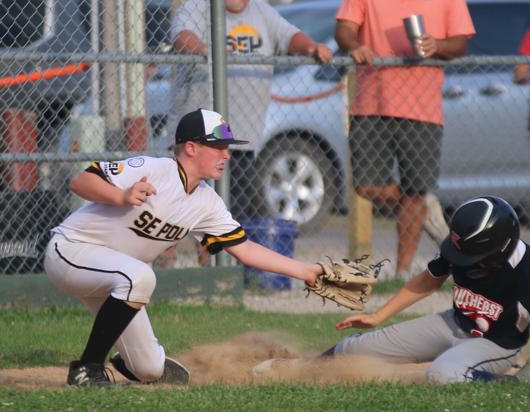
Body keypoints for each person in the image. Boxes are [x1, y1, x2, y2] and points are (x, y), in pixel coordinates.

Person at [43, 108, 324, 386]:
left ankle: (129, 361)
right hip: (72, 251)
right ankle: (87, 369)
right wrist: (122, 195)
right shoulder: (153, 170)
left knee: (150, 370)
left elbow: (245, 249)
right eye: (218, 147)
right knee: (140, 276)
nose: (226, 155)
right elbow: (80, 181)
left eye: (227, 148)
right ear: (191, 147)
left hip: (117, 278)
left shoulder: (207, 202)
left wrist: (307, 271)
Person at [324, 196, 530, 384]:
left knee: (442, 375)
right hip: (453, 324)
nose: (461, 261)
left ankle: (515, 384)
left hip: (496, 345)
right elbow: (428, 280)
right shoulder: (463, 244)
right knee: (354, 347)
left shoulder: (526, 270)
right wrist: (377, 317)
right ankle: (296, 370)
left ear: (498, 251)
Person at [334, 0, 475, 278]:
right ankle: (421, 209)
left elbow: (460, 42)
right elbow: (344, 29)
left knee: (415, 188)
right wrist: (356, 46)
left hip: (423, 106)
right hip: (371, 100)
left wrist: (437, 45)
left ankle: (402, 271)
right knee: (367, 185)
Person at [169, 0, 332, 219]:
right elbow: (182, 36)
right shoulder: (199, 8)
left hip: (240, 139)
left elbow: (291, 37)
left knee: (228, 217)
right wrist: (207, 50)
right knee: (178, 209)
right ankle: (168, 255)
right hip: (197, 140)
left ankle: (215, 260)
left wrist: (312, 47)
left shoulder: (262, 12)